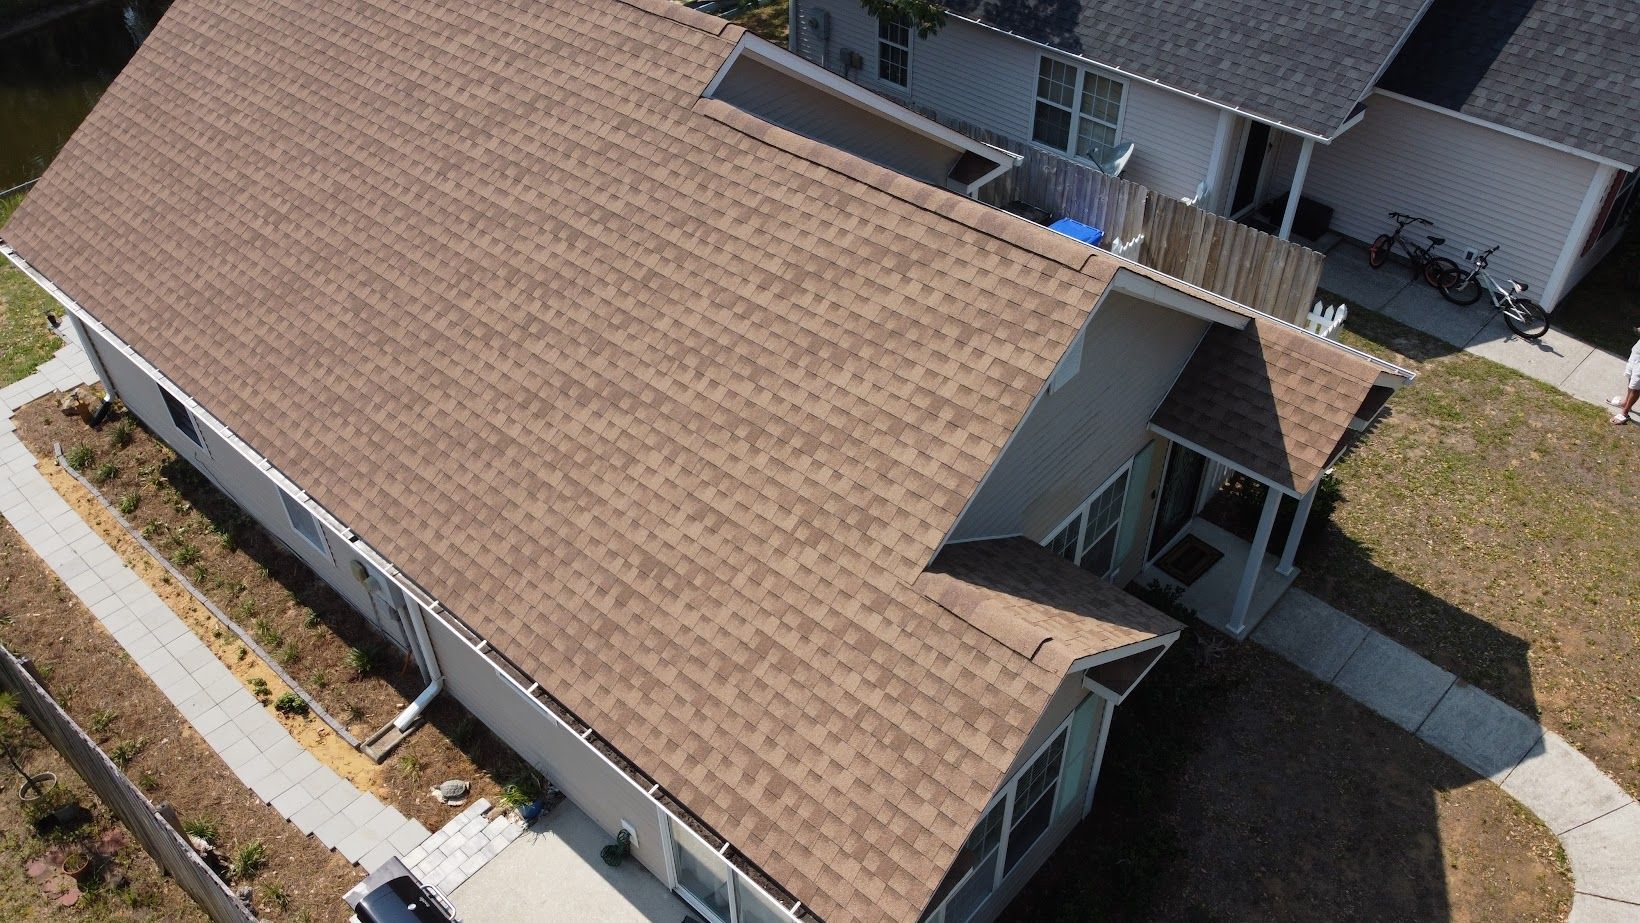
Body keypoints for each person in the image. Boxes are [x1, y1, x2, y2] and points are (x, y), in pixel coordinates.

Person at [1610, 326, 1640, 425]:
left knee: (1636, 386)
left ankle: (1625, 413)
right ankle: (1626, 403)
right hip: (1637, 352)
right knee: (1631, 377)